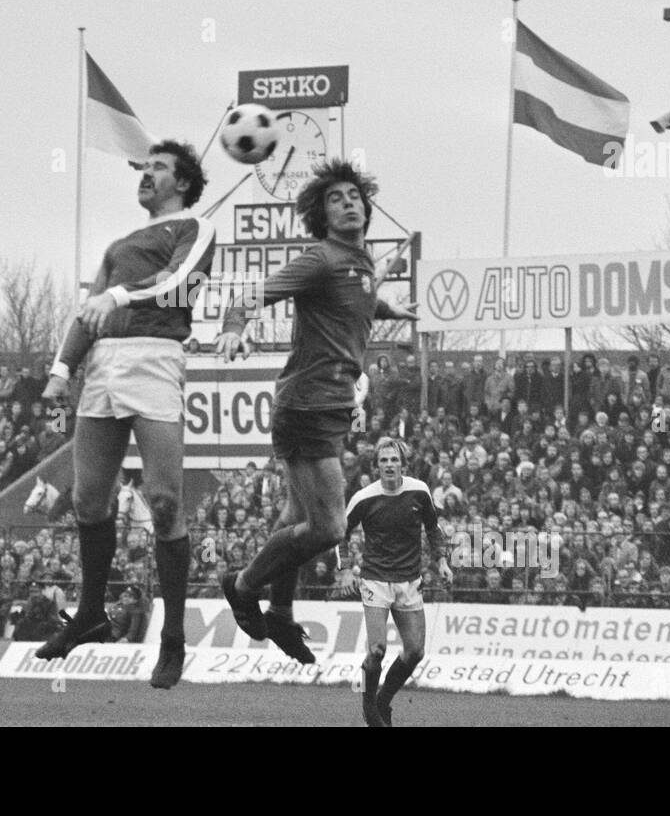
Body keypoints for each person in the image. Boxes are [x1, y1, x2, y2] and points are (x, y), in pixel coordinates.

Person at [214, 159, 417, 664]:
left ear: (366, 207)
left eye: (354, 195)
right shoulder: (321, 260)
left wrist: (389, 309)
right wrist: (235, 326)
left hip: (328, 406)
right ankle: (241, 585)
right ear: (321, 215)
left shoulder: (361, 265)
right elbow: (249, 297)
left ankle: (280, 612)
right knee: (329, 529)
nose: (348, 202)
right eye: (335, 198)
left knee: (296, 517)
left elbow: (360, 300)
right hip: (307, 404)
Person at [34, 140, 215, 690]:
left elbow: (177, 284)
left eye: (157, 168)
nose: (145, 174)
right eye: (144, 167)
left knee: (163, 501)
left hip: (155, 360)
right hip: (104, 367)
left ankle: (174, 637)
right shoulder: (117, 244)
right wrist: (63, 369)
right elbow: (87, 310)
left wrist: (117, 297)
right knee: (89, 499)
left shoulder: (193, 227)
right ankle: (90, 616)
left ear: (182, 183)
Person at [336, 437, 449, 727]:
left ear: (403, 464)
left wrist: (443, 560)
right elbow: (341, 534)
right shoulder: (364, 497)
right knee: (377, 650)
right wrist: (346, 569)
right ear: (376, 466)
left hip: (409, 581)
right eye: (383, 460)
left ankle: (382, 700)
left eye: (394, 460)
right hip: (375, 579)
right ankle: (369, 709)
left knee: (415, 651)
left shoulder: (419, 491)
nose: (389, 465)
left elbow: (434, 529)